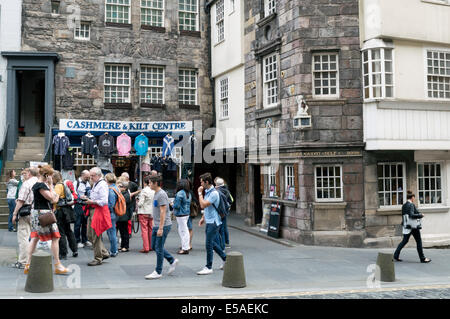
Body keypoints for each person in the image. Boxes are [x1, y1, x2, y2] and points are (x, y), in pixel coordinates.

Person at [25, 165, 70, 275]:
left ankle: (28, 264)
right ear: (46, 175)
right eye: (50, 175)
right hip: (44, 214)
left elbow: (53, 198)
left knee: (34, 238)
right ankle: (57, 265)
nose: (51, 177)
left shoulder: (37, 185)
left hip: (38, 214)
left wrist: (53, 192)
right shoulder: (41, 185)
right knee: (55, 237)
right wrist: (50, 185)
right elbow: (53, 198)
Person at [145, 175, 178, 280]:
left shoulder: (161, 194)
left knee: (158, 248)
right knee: (155, 246)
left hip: (163, 225)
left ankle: (158, 271)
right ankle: (171, 260)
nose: (148, 184)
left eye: (150, 182)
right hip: (157, 224)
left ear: (155, 183)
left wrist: (160, 228)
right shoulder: (156, 193)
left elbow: (163, 211)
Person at [197, 173, 226, 275]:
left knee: (209, 244)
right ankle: (225, 258)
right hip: (209, 220)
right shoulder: (208, 191)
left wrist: (200, 193)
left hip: (214, 221)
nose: (200, 183)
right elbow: (209, 207)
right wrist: (203, 217)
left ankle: (209, 267)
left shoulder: (214, 193)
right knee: (212, 243)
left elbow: (203, 204)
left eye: (201, 181)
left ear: (207, 182)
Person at [83, 167, 112, 266]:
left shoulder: (102, 184)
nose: (90, 177)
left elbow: (104, 201)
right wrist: (88, 198)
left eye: (92, 176)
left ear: (99, 175)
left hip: (98, 210)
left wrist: (92, 201)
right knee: (90, 235)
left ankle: (98, 258)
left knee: (95, 235)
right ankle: (103, 253)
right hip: (94, 210)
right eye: (90, 175)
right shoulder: (97, 183)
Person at [394, 191, 431, 263]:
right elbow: (412, 215)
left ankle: (396, 255)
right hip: (413, 226)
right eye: (414, 198)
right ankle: (422, 258)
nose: (414, 199)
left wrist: (418, 213)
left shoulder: (404, 205)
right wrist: (421, 215)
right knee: (419, 241)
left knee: (404, 241)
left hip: (406, 226)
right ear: (412, 197)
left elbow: (405, 215)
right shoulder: (411, 205)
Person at [11, 168, 38, 269]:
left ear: (29, 174)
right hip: (37, 213)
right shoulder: (40, 182)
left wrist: (14, 213)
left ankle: (23, 261)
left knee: (23, 237)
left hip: (26, 212)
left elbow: (21, 200)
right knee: (34, 237)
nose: (23, 176)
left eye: (25, 174)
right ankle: (33, 259)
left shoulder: (26, 184)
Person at [53, 171, 78, 260]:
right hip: (67, 210)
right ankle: (75, 250)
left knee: (61, 232)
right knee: (68, 231)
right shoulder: (63, 184)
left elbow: (54, 198)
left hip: (60, 211)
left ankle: (63, 253)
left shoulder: (58, 186)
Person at [172, 179, 192, 255]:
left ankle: (185, 248)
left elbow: (176, 206)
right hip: (186, 213)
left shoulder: (180, 193)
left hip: (180, 214)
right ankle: (185, 246)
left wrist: (172, 205)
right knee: (184, 230)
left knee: (183, 231)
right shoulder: (188, 193)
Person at [74, 170, 92, 248]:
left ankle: (85, 240)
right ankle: (77, 240)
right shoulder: (76, 183)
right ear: (82, 175)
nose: (88, 178)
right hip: (78, 205)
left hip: (86, 205)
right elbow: (73, 193)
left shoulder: (87, 183)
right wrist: (79, 197)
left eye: (89, 177)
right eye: (86, 177)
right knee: (78, 223)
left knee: (85, 223)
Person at [214, 177, 233, 249]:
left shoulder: (217, 191)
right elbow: (231, 200)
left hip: (219, 212)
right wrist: (228, 206)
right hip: (225, 211)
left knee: (217, 229)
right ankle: (225, 243)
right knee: (223, 228)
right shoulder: (227, 191)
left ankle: (220, 245)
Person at [137, 176, 155, 253]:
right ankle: (150, 246)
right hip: (151, 211)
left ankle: (146, 247)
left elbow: (140, 203)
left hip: (144, 211)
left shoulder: (144, 191)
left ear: (145, 183)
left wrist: (137, 202)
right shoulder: (154, 190)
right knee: (150, 229)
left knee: (144, 230)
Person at [105, 173, 119, 257]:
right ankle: (114, 249)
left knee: (111, 232)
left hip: (111, 213)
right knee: (111, 231)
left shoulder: (110, 190)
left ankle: (114, 250)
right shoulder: (116, 188)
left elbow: (111, 204)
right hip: (115, 213)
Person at [117, 180, 132, 252]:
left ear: (124, 188)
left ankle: (126, 246)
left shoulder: (125, 195)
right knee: (122, 231)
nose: (119, 187)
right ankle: (123, 245)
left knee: (124, 232)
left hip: (124, 215)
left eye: (120, 186)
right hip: (122, 215)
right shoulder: (124, 194)